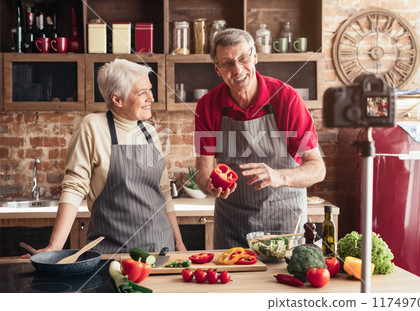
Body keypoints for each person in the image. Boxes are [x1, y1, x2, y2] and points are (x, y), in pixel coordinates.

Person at [25, 59, 186, 255]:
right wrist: (54, 247)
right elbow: (74, 188)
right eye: (141, 92)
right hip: (113, 251)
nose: (151, 98)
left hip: (160, 246)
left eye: (150, 90)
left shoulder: (149, 132)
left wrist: (179, 243)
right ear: (117, 99)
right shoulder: (92, 127)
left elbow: (163, 193)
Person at [194, 28, 326, 249]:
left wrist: (279, 176)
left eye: (243, 58)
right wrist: (209, 185)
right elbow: (203, 171)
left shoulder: (287, 99)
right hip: (232, 228)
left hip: (285, 225)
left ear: (255, 57)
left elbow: (317, 168)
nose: (237, 69)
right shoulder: (207, 106)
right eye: (227, 63)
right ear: (217, 69)